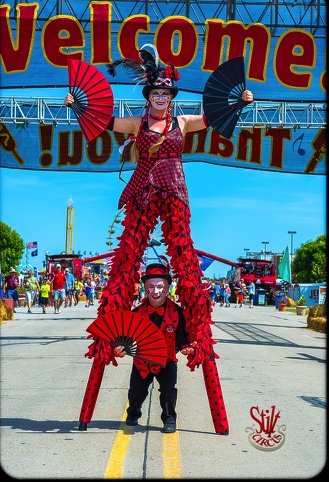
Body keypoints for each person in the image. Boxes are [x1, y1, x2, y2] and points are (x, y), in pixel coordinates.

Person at [66, 44, 253, 434]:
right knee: (123, 266)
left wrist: (242, 103)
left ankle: (197, 336)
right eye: (155, 94)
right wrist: (77, 106)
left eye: (166, 95)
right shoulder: (136, 123)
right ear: (148, 97)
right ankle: (103, 355)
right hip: (142, 195)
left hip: (177, 196)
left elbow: (215, 116)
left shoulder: (182, 123)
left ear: (171, 98)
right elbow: (104, 122)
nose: (161, 100)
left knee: (186, 264)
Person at [110, 263, 196, 433]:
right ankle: (133, 412)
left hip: (167, 360)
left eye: (160, 287)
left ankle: (169, 418)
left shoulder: (179, 313)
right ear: (145, 288)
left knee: (168, 390)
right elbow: (126, 338)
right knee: (135, 392)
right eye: (151, 287)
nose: (156, 292)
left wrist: (185, 347)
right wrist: (119, 349)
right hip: (142, 361)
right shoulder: (135, 313)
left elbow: (181, 338)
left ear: (167, 288)